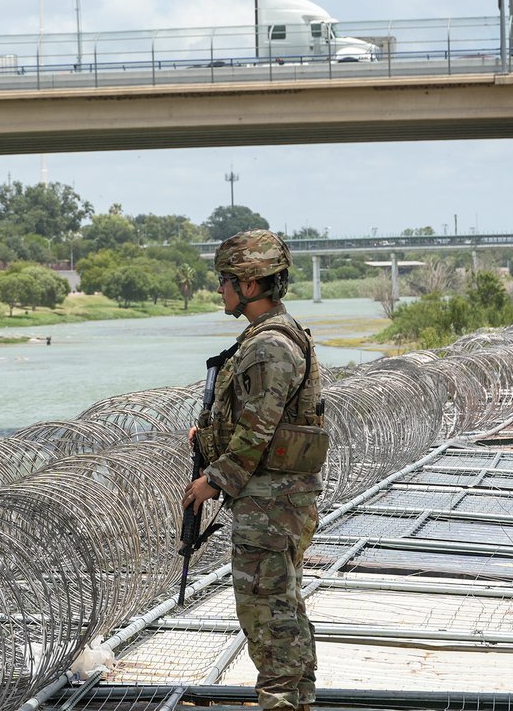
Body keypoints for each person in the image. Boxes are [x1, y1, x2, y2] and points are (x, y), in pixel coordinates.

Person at [183, 229, 328, 711]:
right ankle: (295, 697)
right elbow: (256, 418)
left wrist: (212, 480)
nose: (219, 289)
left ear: (249, 285)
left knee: (266, 608)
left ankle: (282, 702)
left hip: (270, 501)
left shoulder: (268, 346)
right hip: (281, 497)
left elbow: (258, 430)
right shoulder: (274, 337)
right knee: (283, 602)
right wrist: (207, 438)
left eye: (225, 280)